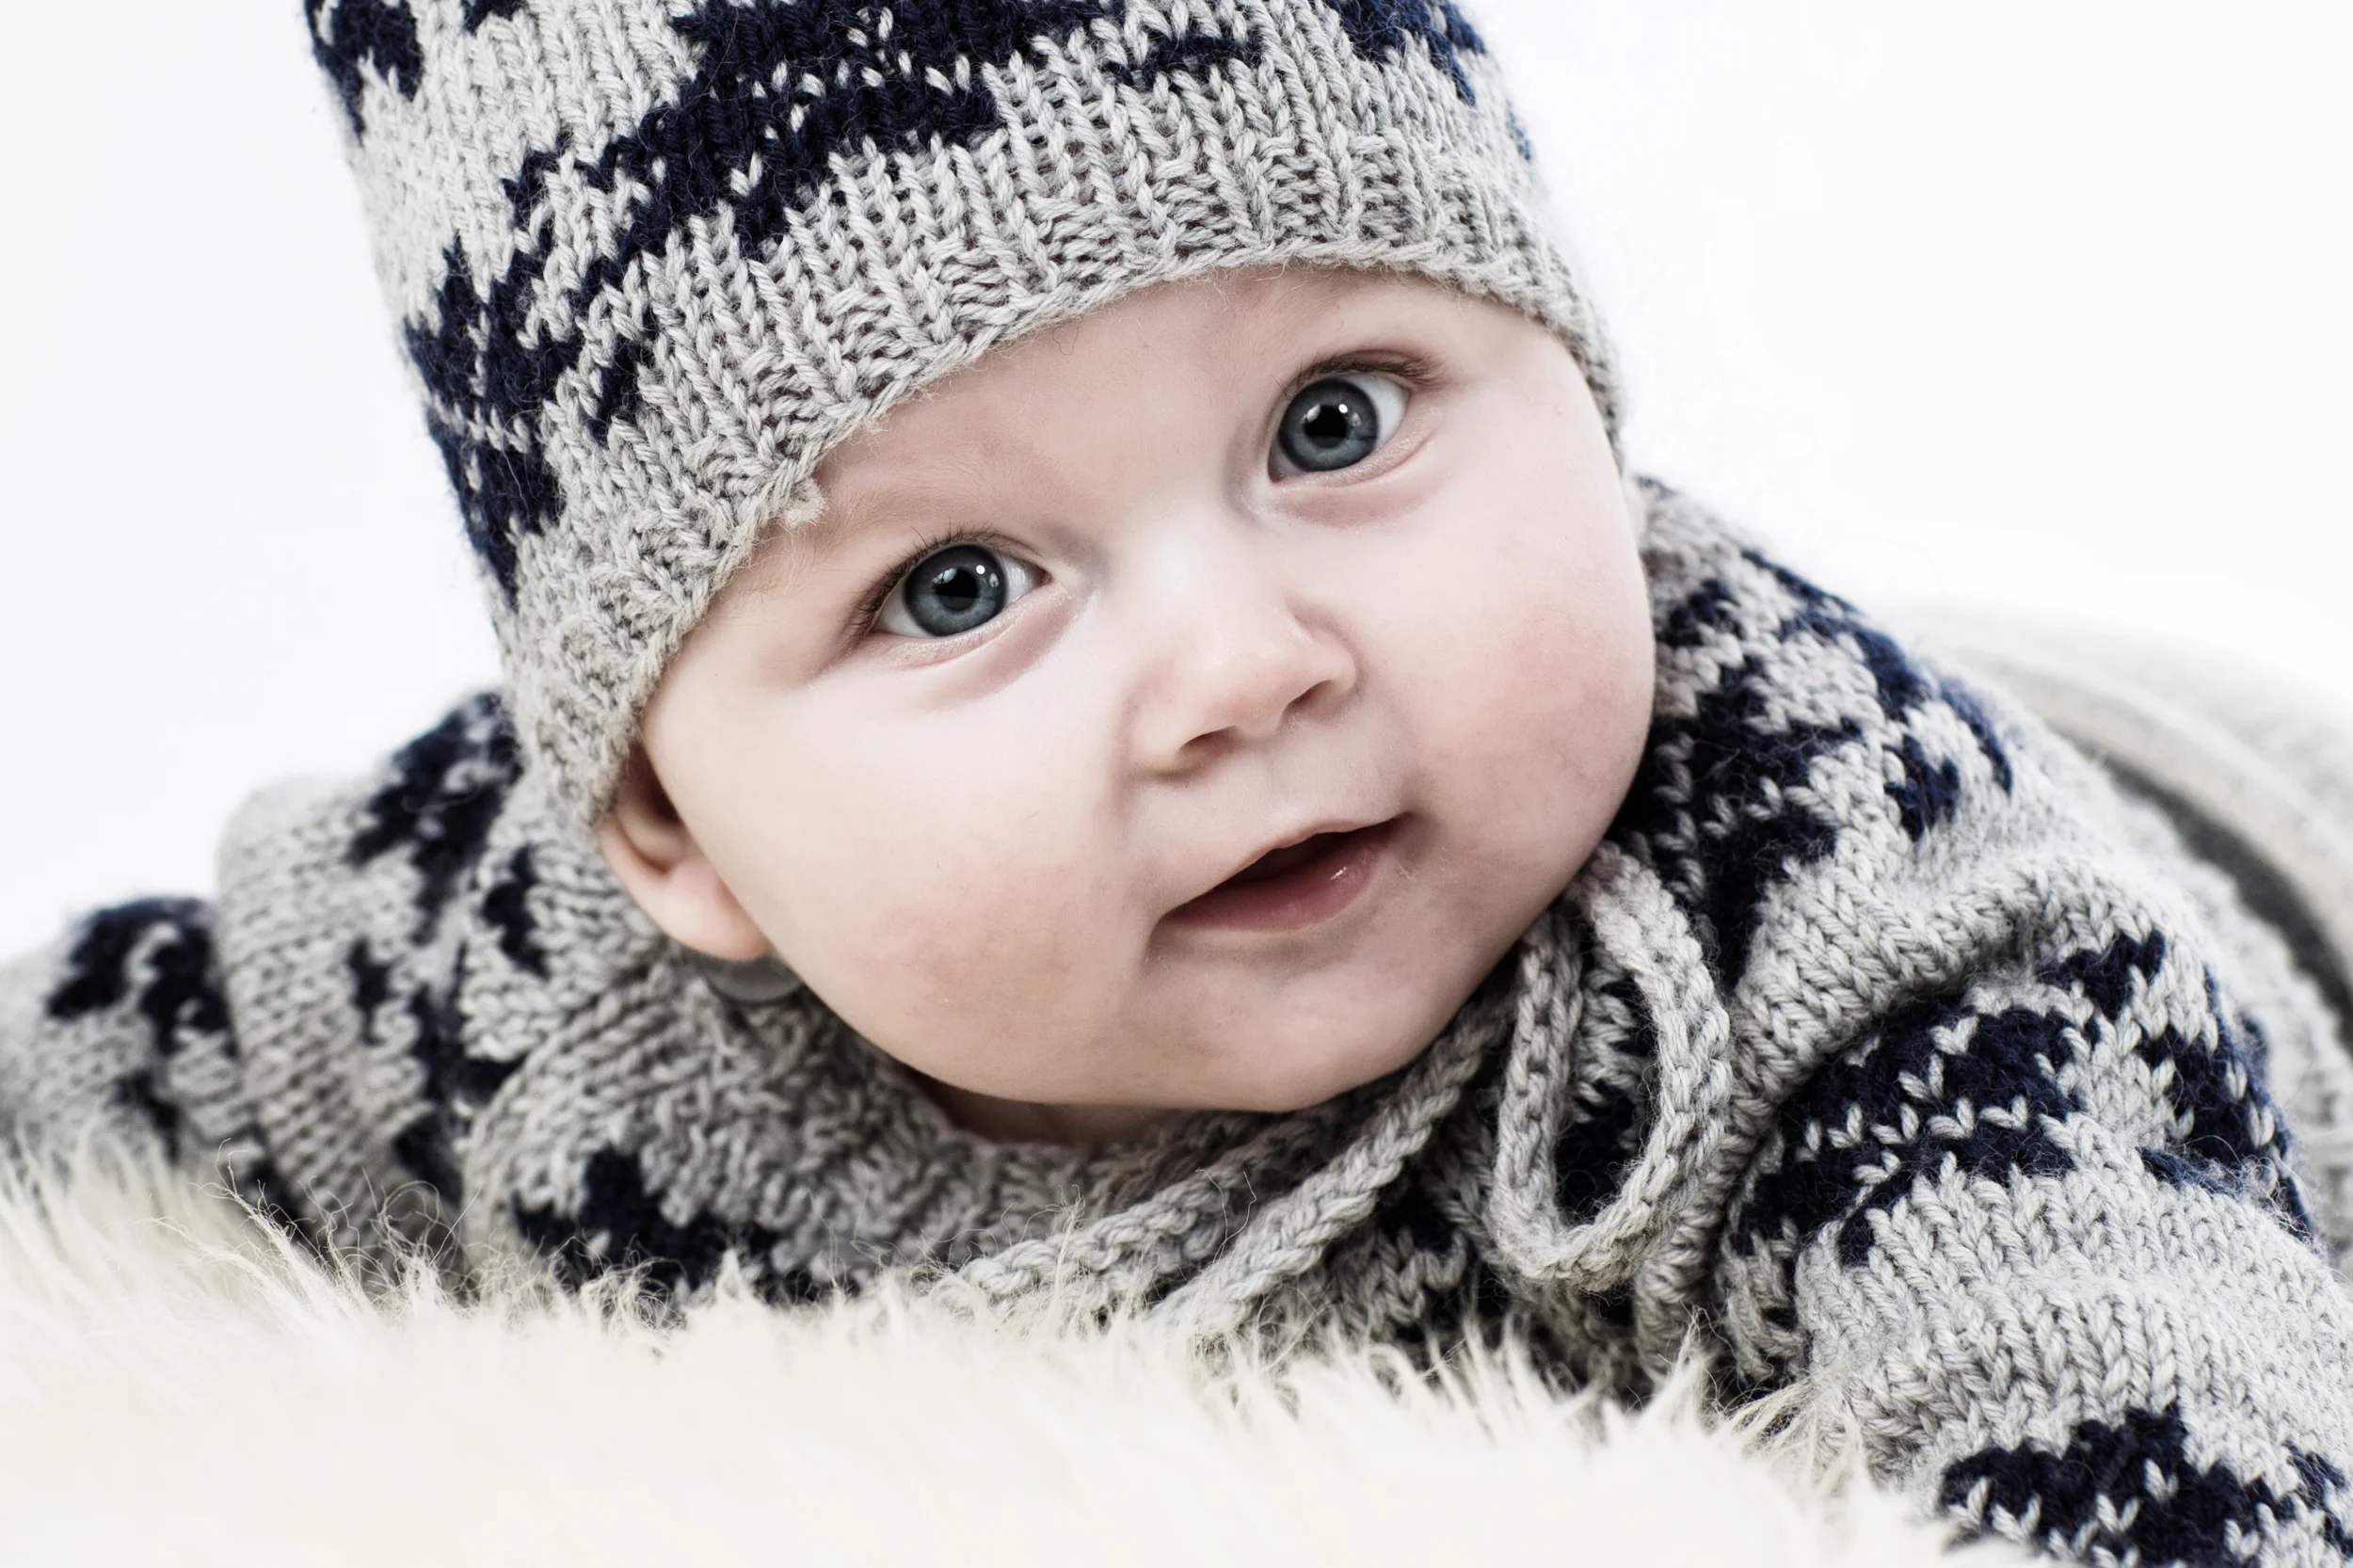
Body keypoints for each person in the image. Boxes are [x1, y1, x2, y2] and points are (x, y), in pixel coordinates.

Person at [6, 3, 2353, 1561]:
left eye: (1333, 422)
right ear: (670, 834)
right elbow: (81, 1091)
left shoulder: (1841, 898)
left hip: (2240, 813)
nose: (1236, 668)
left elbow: (2114, 1362)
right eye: (952, 589)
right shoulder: (485, 959)